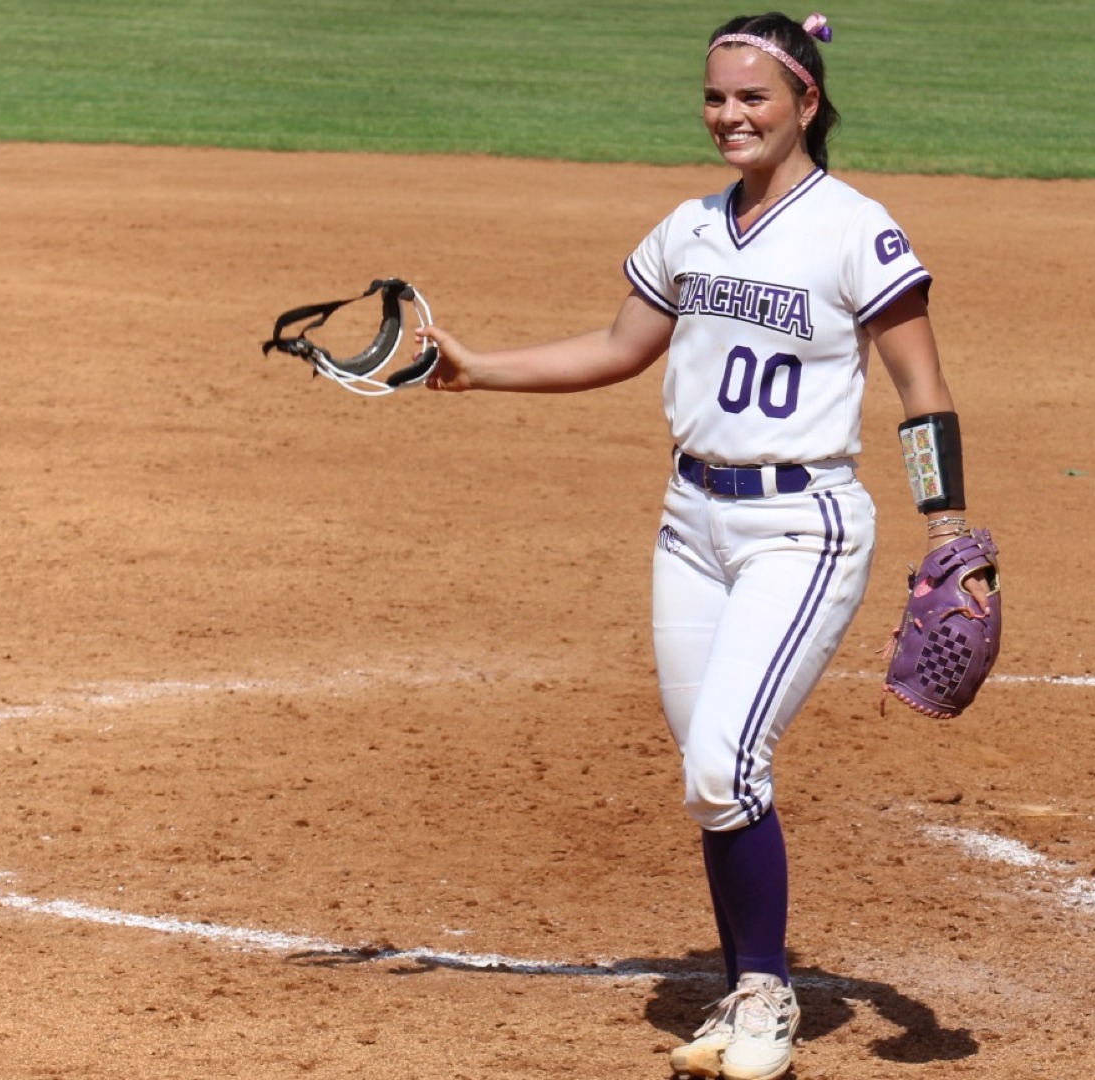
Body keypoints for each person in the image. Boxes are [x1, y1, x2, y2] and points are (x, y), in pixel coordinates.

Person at [415, 12, 985, 1079]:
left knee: (724, 759)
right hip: (690, 529)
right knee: (717, 779)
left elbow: (925, 392)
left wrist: (947, 523)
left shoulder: (856, 229)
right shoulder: (689, 229)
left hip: (801, 528)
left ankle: (765, 1002)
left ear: (806, 103)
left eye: (754, 98)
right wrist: (478, 368)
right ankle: (744, 989)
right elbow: (620, 346)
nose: (730, 116)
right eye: (717, 98)